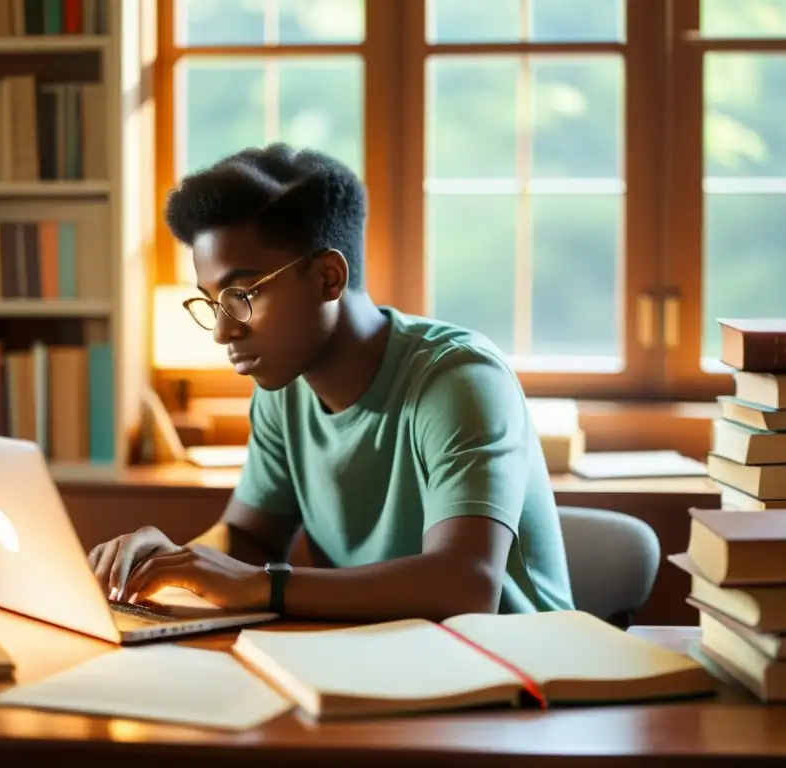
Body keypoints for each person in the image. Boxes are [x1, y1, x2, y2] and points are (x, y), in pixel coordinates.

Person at [87, 143, 574, 622]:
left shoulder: (458, 381)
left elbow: (465, 586)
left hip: (521, 678)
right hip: (382, 663)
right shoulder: (283, 390)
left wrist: (261, 585)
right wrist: (172, 560)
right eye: (212, 302)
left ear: (328, 277)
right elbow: (249, 536)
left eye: (241, 294)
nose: (222, 330)